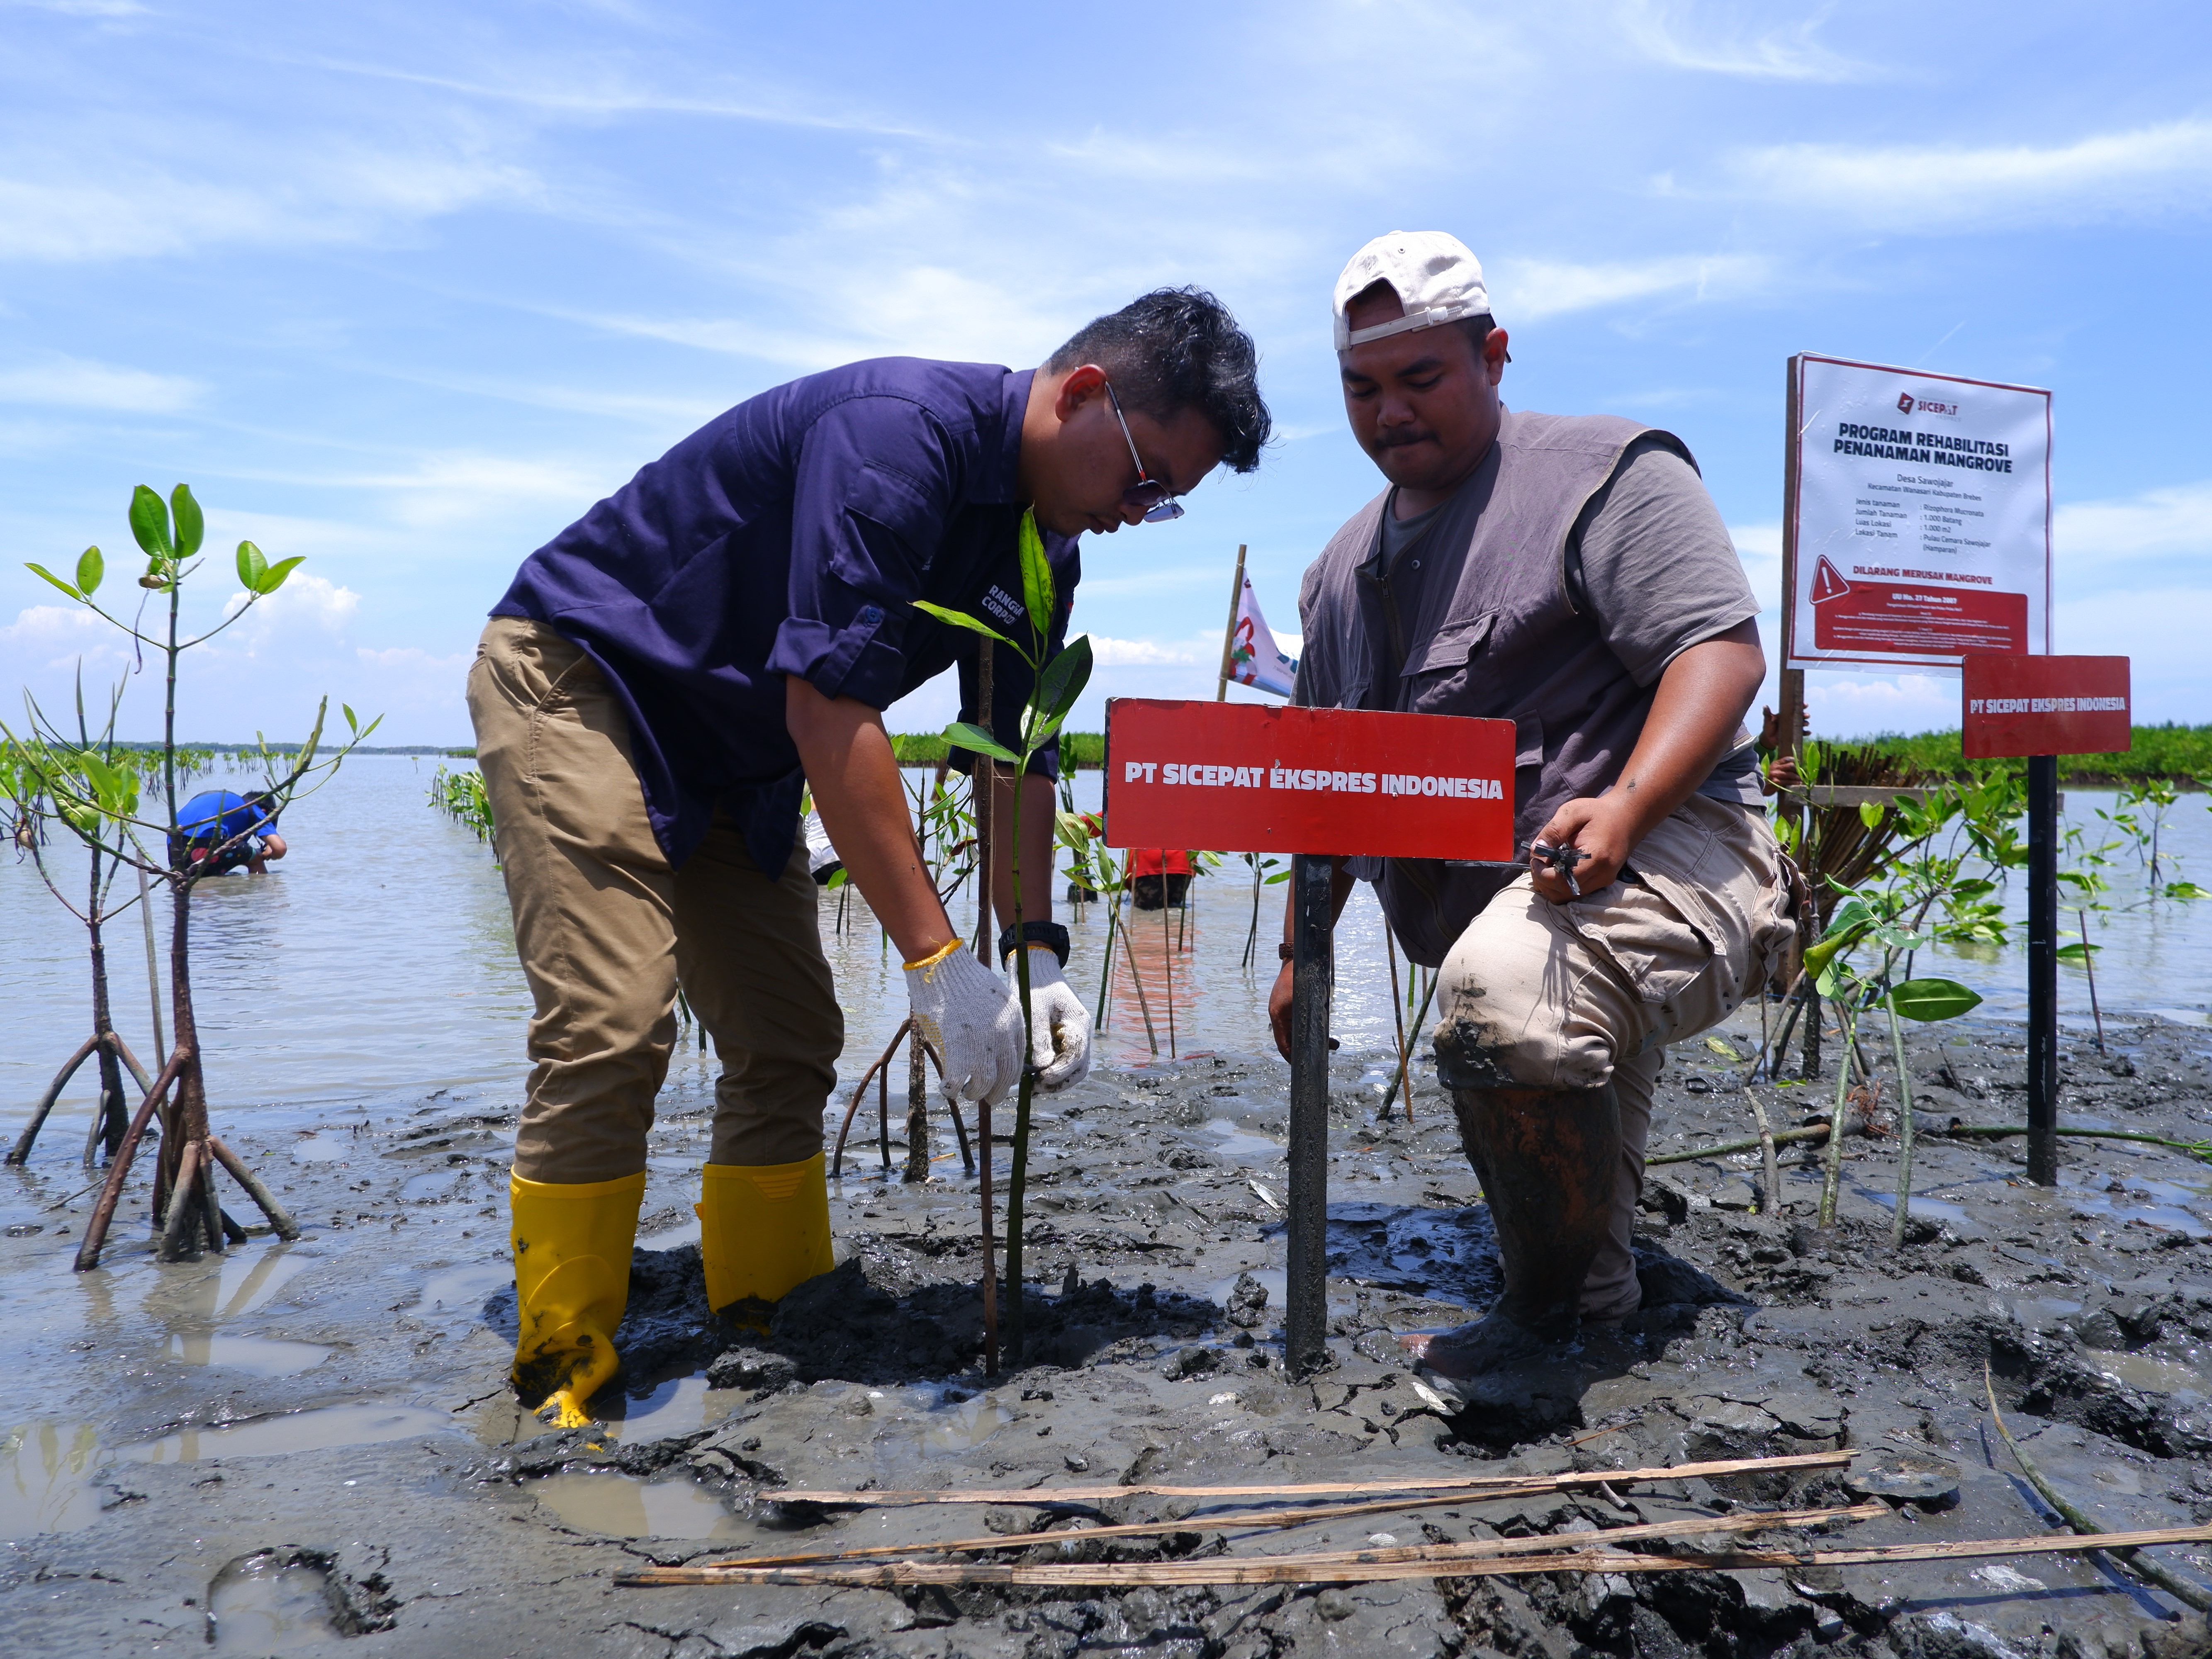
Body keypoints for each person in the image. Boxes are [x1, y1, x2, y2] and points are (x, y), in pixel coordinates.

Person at [472, 289, 1271, 1425]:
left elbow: (1014, 757)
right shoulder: (901, 437)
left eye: (1168, 504)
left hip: (735, 757)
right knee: (612, 1020)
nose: (1139, 514)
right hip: (590, 684)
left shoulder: (1040, 555)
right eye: (1141, 480)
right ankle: (562, 1366)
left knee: (791, 1036)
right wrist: (935, 959)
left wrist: (1038, 953)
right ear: (1083, 393)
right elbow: (826, 710)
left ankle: (767, 1307)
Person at [1269, 233, 1793, 1380]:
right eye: (1362, 388)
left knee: (1498, 994)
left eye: (1421, 378)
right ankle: (1588, 1310)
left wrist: (1621, 804)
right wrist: (1296, 953)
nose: (1389, 411)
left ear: (1492, 356)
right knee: (1514, 1013)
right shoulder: (1334, 576)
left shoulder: (1607, 472)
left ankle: (1535, 1327)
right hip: (1507, 902)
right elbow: (1320, 777)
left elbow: (1721, 656)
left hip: (1671, 847)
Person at [174, 788, 287, 876]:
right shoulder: (254, 808)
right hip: (207, 844)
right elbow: (280, 849)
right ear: (265, 812)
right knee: (255, 858)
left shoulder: (231, 803)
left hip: (176, 848)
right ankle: (263, 898)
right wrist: (268, 853)